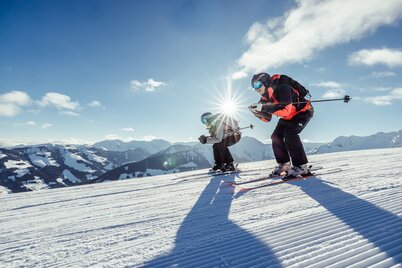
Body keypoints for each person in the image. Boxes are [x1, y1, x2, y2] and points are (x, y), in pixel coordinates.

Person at [249, 72, 314, 177]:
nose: (255, 89)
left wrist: (264, 108)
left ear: (265, 82)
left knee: (290, 134)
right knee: (275, 136)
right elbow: (267, 119)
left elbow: (285, 110)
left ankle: (301, 166)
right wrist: (257, 112)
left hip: (303, 112)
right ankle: (284, 164)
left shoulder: (283, 87)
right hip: (288, 117)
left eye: (257, 85)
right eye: (253, 86)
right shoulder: (265, 98)